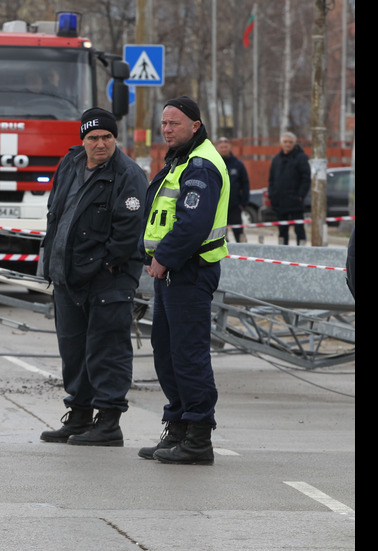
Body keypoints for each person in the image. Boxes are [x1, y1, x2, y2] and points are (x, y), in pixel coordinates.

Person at [39, 107, 148, 447]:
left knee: (107, 350)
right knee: (73, 350)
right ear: (82, 140)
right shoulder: (71, 163)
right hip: (67, 276)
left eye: (107, 137)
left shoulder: (128, 174)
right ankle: (80, 414)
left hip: (107, 279)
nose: (100, 144)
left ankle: (109, 422)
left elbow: (128, 230)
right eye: (93, 138)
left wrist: (107, 266)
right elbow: (56, 213)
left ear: (115, 138)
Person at [139, 96, 229, 466]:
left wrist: (163, 258)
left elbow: (192, 224)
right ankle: (177, 425)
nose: (166, 129)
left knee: (188, 355)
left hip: (189, 271)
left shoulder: (202, 164)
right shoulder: (181, 160)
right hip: (173, 272)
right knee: (167, 350)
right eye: (163, 123)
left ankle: (197, 437)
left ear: (195, 125)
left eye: (174, 123)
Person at [268, 131, 311, 245]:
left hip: (295, 202)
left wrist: (300, 196)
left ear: (294, 143)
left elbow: (306, 179)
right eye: (285, 142)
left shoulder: (301, 158)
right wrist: (272, 195)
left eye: (290, 142)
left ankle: (302, 251)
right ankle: (282, 253)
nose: (288, 144)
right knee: (282, 231)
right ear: (281, 143)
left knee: (299, 230)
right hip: (280, 203)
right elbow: (271, 179)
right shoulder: (276, 159)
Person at [215, 137, 251, 243]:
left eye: (226, 147)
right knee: (220, 235)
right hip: (219, 206)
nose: (224, 149)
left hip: (234, 206)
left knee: (239, 232)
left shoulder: (238, 165)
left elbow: (245, 184)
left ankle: (243, 252)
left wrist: (243, 203)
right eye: (221, 147)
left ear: (230, 148)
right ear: (217, 148)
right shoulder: (214, 164)